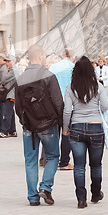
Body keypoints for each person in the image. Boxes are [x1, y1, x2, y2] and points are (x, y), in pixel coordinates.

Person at [15, 45, 63, 206]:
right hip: (48, 124)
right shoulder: (49, 76)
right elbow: (58, 102)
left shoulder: (21, 78)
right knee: (53, 156)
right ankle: (45, 186)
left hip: (29, 126)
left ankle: (33, 197)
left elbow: (18, 107)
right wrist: (61, 123)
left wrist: (25, 122)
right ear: (42, 55)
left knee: (30, 161)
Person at [63, 56, 108, 208]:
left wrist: (65, 128)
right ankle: (96, 193)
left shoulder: (70, 87)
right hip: (96, 126)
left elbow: (67, 111)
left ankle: (81, 199)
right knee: (96, 165)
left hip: (76, 127)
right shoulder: (98, 86)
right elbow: (105, 106)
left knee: (79, 166)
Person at [49, 48, 75, 170]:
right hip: (68, 103)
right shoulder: (73, 67)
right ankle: (64, 161)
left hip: (53, 103)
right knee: (66, 133)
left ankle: (49, 159)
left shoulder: (53, 67)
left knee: (53, 132)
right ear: (72, 56)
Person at [0, 54, 19, 138]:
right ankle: (12, 131)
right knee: (11, 113)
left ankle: (5, 132)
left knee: (7, 113)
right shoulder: (14, 69)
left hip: (10, 94)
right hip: (11, 94)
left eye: (9, 61)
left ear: (13, 61)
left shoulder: (13, 70)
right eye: (6, 61)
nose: (7, 63)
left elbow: (4, 80)